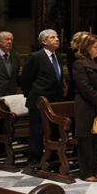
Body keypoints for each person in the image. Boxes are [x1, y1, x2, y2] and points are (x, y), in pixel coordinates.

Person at [20, 29, 65, 166]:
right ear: (44, 41)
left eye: (57, 37)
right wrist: (33, 95)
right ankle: (34, 161)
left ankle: (51, 157)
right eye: (52, 37)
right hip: (39, 100)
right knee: (37, 132)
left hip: (55, 100)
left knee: (54, 131)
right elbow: (25, 79)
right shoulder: (35, 57)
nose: (57, 39)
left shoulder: (59, 57)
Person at [72, 34, 97, 182]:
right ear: (86, 48)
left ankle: (96, 169)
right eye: (95, 47)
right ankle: (86, 172)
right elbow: (84, 87)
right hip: (86, 106)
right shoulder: (79, 64)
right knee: (86, 140)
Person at [65, 31, 89, 101]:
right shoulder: (72, 55)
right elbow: (74, 73)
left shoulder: (93, 54)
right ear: (78, 42)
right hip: (76, 89)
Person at [0, 31, 20, 97]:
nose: (9, 42)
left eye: (11, 40)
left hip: (12, 93)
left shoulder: (16, 56)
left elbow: (15, 76)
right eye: (6, 39)